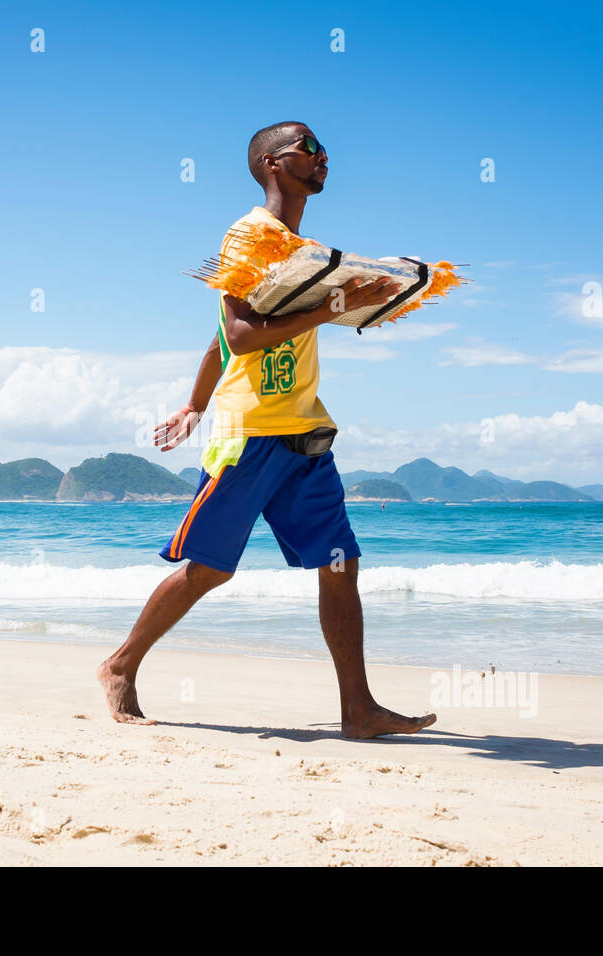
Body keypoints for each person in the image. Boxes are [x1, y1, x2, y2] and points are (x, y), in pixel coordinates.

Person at [97, 122, 437, 739]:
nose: (324, 155)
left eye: (325, 147)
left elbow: (219, 341)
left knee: (340, 564)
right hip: (249, 432)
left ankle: (358, 709)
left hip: (305, 433)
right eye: (310, 147)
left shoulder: (304, 251)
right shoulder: (249, 235)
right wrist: (328, 309)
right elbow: (240, 333)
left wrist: (189, 404)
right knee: (210, 568)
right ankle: (120, 664)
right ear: (274, 164)